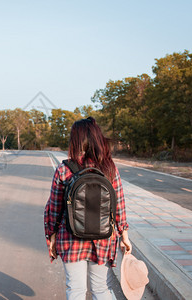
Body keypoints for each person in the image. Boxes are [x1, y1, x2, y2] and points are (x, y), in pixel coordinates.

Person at [44, 117, 132, 300]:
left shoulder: (64, 169)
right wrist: (124, 236)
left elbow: (54, 208)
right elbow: (119, 205)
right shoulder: (109, 168)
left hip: (71, 238)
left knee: (75, 290)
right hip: (103, 238)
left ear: (75, 140)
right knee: (101, 289)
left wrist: (51, 236)